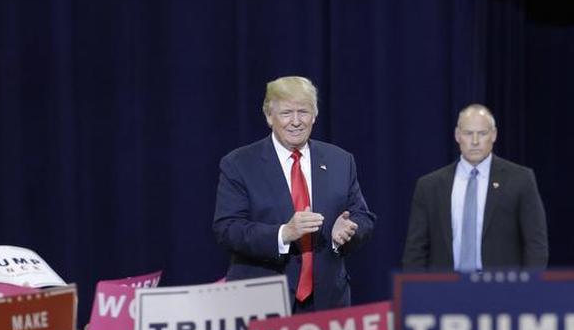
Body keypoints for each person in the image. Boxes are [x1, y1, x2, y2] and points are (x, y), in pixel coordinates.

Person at [213, 76, 375, 313]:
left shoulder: (340, 160)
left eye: (304, 112)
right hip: (261, 303)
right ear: (270, 117)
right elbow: (227, 229)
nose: (296, 121)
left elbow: (364, 217)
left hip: (327, 303)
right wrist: (283, 234)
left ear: (315, 116)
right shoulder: (239, 164)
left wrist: (348, 231)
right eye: (287, 113)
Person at [401, 104, 548, 272]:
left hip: (502, 291)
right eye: (468, 133)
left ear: (494, 135)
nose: (475, 141)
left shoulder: (520, 180)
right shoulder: (429, 186)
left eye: (482, 133)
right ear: (457, 135)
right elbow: (415, 250)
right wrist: (418, 294)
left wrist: (528, 291)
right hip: (444, 291)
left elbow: (536, 244)